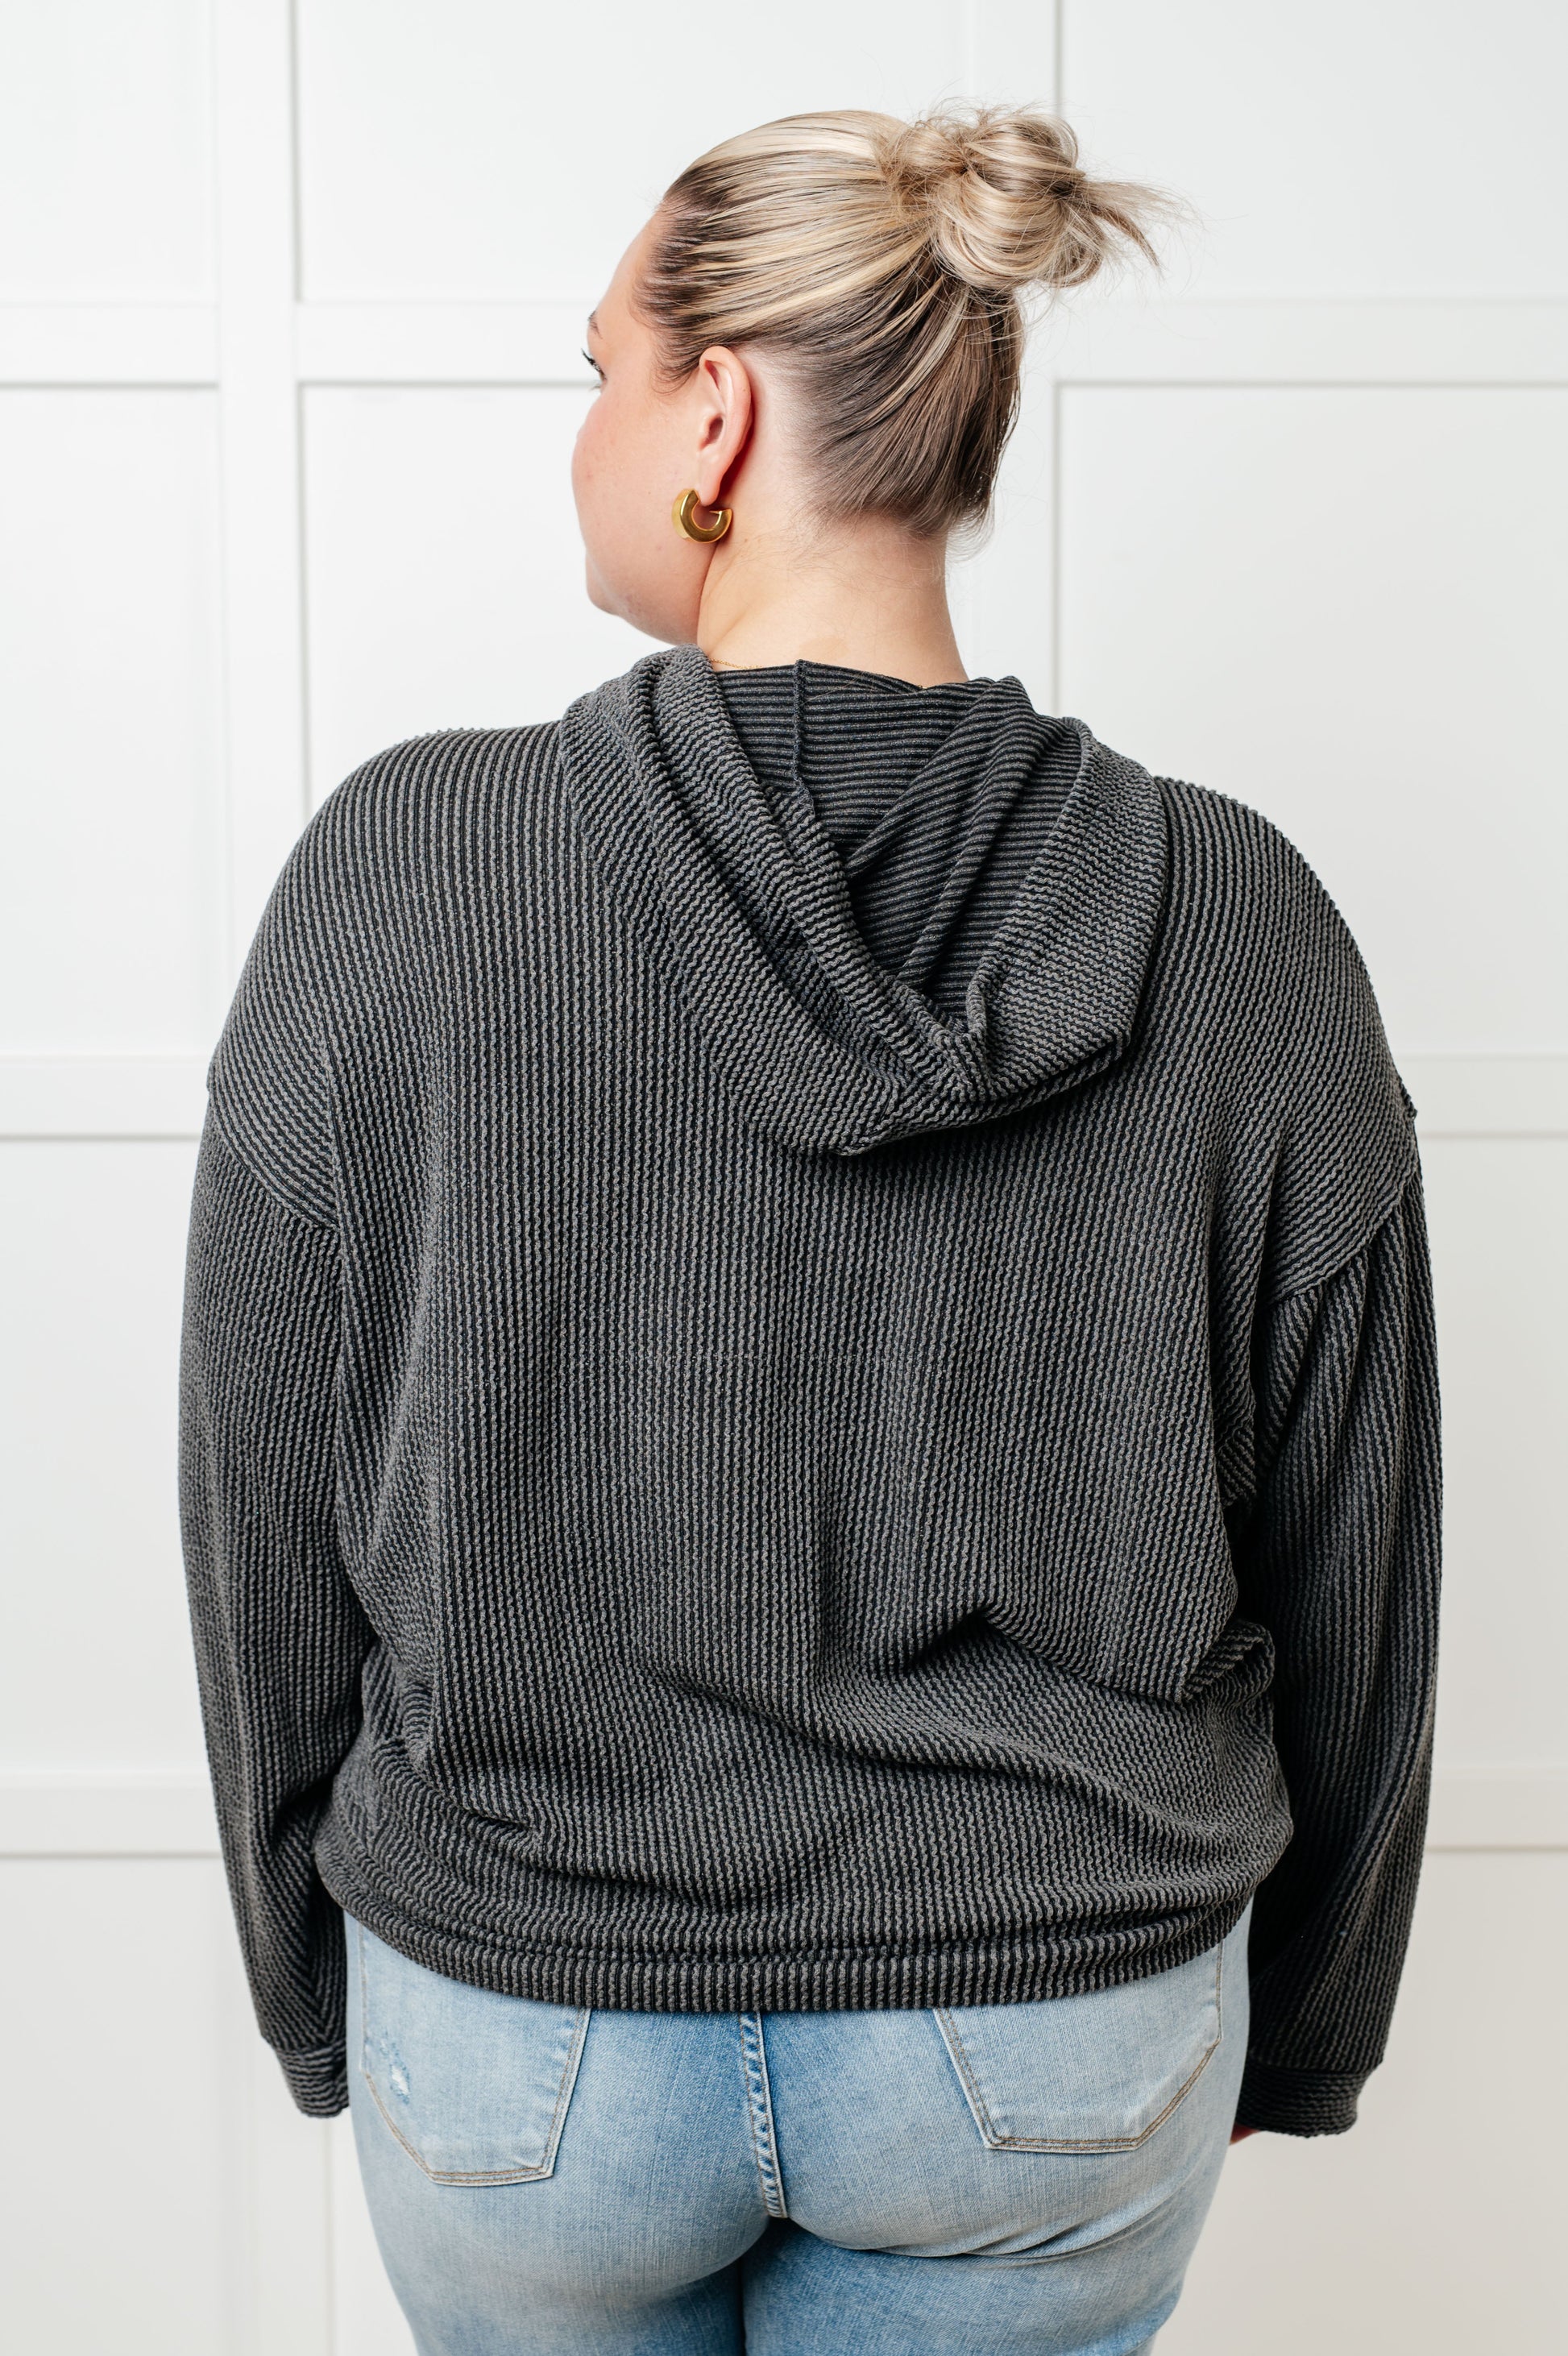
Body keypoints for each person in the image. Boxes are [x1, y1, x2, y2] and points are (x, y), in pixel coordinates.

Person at [179, 103, 1442, 2356]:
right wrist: (1310, 2020)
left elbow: (262, 1495)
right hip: (1052, 2025)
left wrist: (316, 1977)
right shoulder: (1238, 918)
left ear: (719, 410)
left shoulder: (400, 871)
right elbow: (1360, 1543)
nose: (576, 432)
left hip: (523, 2030)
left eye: (595, 369)